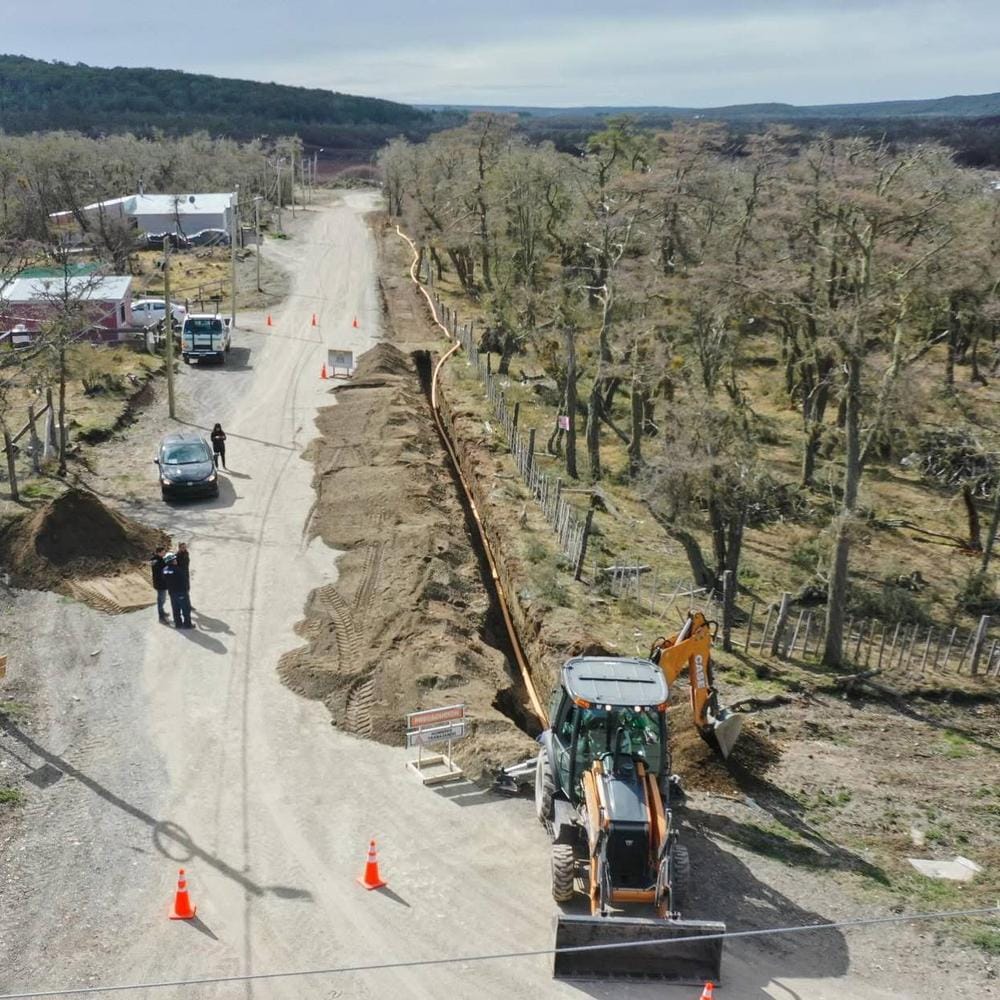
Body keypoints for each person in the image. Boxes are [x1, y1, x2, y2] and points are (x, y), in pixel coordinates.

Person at [161, 551, 193, 629]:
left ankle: (178, 624)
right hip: (181, 592)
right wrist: (186, 590)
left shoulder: (164, 570)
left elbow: (164, 579)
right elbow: (184, 580)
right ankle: (187, 624)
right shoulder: (178, 570)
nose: (176, 560)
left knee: (176, 609)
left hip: (172, 593)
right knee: (185, 608)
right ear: (171, 561)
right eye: (174, 559)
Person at [150, 546, 168, 623]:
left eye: (164, 552)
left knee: (163, 599)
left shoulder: (161, 559)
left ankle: (162, 612)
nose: (164, 554)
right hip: (159, 583)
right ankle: (161, 617)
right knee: (161, 600)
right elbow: (158, 570)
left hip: (163, 582)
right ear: (158, 553)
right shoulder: (155, 560)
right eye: (163, 553)